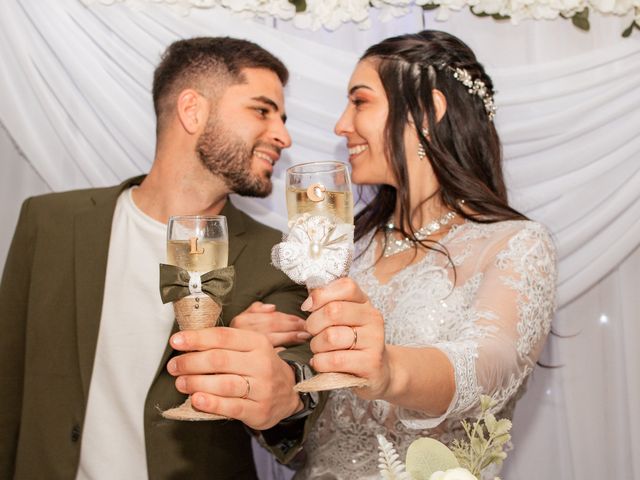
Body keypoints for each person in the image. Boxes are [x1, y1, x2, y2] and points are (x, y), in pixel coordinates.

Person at [0, 37, 321, 479]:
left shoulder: (279, 255)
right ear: (193, 110)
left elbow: (294, 400)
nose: (283, 135)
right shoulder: (49, 222)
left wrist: (270, 378)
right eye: (262, 110)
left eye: (282, 118)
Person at [294, 30, 557, 479]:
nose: (341, 124)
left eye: (360, 102)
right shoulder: (344, 248)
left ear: (429, 112)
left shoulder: (516, 244)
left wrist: (390, 370)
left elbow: (489, 368)